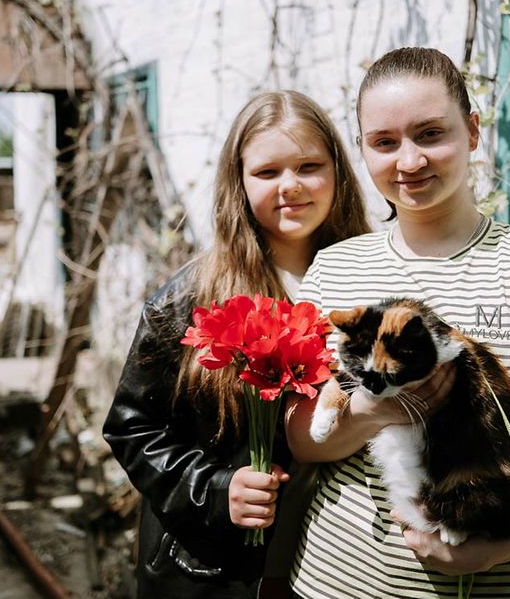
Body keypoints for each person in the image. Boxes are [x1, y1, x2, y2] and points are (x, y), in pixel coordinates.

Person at [285, 47, 510, 599]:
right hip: (334, 581)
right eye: (384, 142)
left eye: (430, 134)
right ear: (362, 151)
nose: (408, 161)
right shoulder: (335, 268)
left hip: (504, 583)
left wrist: (494, 547)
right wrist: (377, 405)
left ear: (473, 131)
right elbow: (304, 439)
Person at [102, 90, 374, 598]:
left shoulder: (371, 285)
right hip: (217, 570)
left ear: (337, 171)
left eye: (308, 166)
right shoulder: (191, 300)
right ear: (239, 182)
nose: (290, 186)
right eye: (267, 172)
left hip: (341, 564)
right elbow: (130, 427)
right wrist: (215, 489)